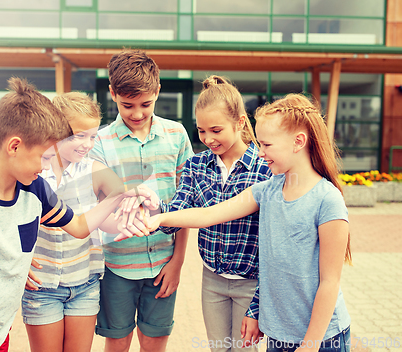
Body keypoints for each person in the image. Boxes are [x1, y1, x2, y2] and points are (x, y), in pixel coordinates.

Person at [0, 78, 152, 352]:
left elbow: (80, 226)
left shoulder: (35, 188)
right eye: (45, 158)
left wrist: (123, 194)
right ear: (14, 146)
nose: (47, 166)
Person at [145, 94, 352, 352]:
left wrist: (309, 345)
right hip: (279, 335)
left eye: (266, 145)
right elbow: (209, 215)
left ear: (298, 142)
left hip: (322, 339)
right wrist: (160, 217)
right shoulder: (266, 190)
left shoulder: (328, 200)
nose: (260, 153)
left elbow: (329, 283)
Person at [155, 75, 271, 352]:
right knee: (219, 349)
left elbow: (274, 239)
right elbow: (177, 215)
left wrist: (258, 302)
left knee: (245, 350)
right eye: (202, 131)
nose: (208, 139)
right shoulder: (196, 165)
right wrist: (153, 210)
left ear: (241, 123)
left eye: (216, 130)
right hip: (213, 280)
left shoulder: (265, 168)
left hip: (251, 282)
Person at [89, 49, 194, 352]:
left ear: (158, 91)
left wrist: (178, 262)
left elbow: (184, 206)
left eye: (146, 104)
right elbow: (96, 211)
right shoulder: (99, 143)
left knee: (153, 343)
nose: (137, 113)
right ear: (112, 93)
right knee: (118, 343)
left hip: (164, 263)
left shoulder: (177, 135)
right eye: (127, 105)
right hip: (116, 266)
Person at [22, 91, 125, 352]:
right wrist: (16, 263)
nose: (88, 144)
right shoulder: (34, 171)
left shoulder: (93, 169)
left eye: (93, 136)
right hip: (41, 286)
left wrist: (131, 220)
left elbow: (116, 206)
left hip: (85, 284)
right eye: (80, 136)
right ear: (56, 129)